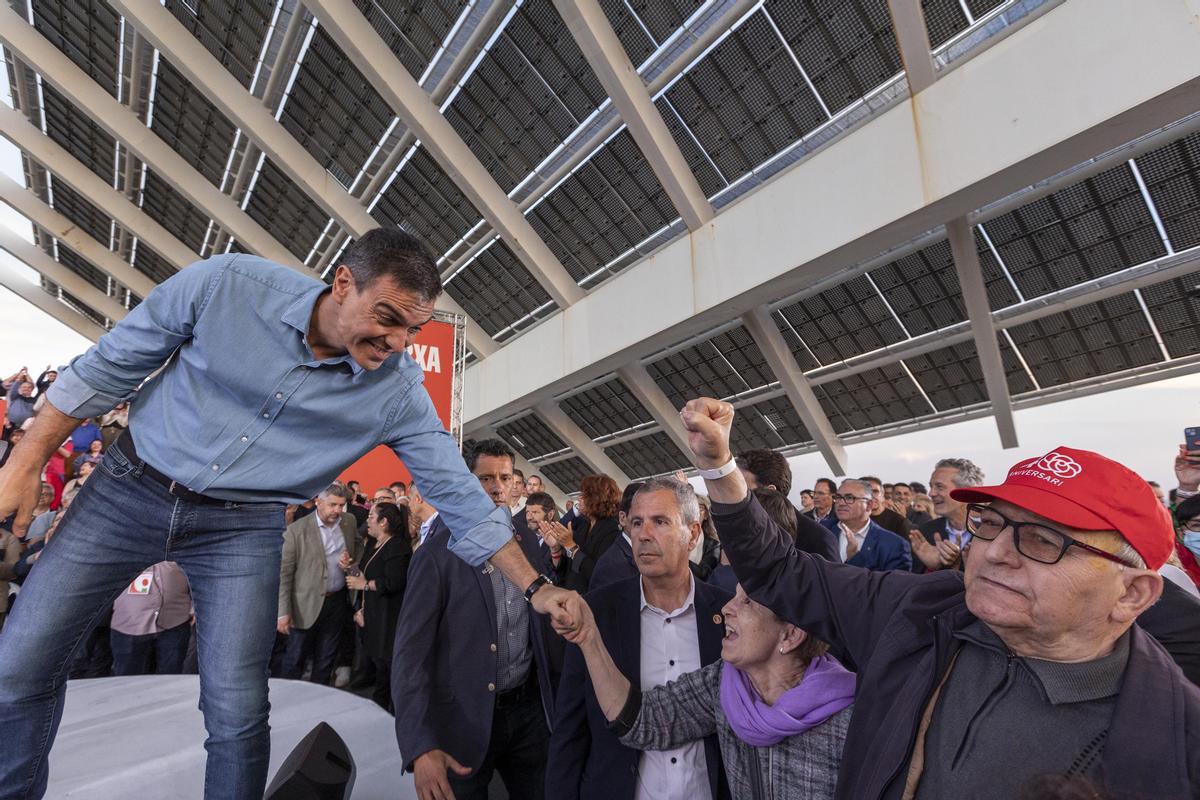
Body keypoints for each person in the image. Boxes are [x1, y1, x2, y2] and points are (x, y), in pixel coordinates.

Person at [0, 229, 576, 799]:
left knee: (237, 709)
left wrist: (536, 589)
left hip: (242, 527)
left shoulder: (399, 391)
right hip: (128, 488)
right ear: (343, 283)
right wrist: (26, 461)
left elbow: (460, 495)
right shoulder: (227, 285)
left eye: (413, 329)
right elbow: (109, 366)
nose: (399, 342)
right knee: (19, 669)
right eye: (387, 317)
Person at [680, 397, 1200, 800]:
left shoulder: (1175, 748)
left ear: (1133, 593)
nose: (995, 552)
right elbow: (781, 571)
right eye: (990, 523)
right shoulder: (920, 613)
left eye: (1043, 541)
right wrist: (719, 465)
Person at [558, 578, 854, 799]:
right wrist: (590, 639)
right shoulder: (726, 683)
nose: (727, 608)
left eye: (747, 602)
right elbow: (642, 721)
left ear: (790, 635)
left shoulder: (851, 719)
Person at [547, 478, 732, 800]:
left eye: (660, 522)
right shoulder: (597, 612)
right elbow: (571, 729)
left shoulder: (726, 615)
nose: (644, 534)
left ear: (694, 533)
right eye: (636, 523)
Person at [393, 439, 558, 800]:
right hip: (463, 722)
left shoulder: (528, 543)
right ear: (467, 481)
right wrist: (420, 747)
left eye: (504, 477)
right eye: (485, 478)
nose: (497, 487)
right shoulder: (436, 555)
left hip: (529, 715)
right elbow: (409, 657)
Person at [277, 483, 358, 685]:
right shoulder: (297, 531)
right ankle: (288, 703)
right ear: (318, 502)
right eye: (332, 505)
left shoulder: (349, 521)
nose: (337, 510)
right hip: (303, 605)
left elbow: (357, 548)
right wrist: (283, 612)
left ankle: (319, 703)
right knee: (295, 658)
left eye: (341, 505)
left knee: (326, 659)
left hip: (337, 601)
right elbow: (285, 575)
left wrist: (351, 563)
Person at [346, 500, 411, 712]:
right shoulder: (373, 544)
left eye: (372, 517)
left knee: (387, 670)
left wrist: (364, 584)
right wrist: (351, 568)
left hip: (388, 618)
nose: (368, 521)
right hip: (373, 614)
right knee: (378, 668)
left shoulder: (398, 547)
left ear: (384, 522)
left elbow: (394, 582)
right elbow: (365, 574)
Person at [109, 561, 193, 676]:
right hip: (129, 624)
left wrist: (195, 609)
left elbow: (199, 575)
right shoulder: (121, 548)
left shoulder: (179, 545)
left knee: (171, 681)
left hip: (175, 622)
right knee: (127, 682)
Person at [543, 474, 622, 594]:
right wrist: (555, 549)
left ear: (597, 499)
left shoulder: (612, 531)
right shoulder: (583, 525)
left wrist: (571, 546)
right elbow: (566, 570)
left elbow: (599, 574)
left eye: (584, 495)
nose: (579, 499)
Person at [909, 457, 985, 573]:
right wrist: (931, 569)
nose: (931, 493)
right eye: (931, 486)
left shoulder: (993, 533)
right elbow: (914, 582)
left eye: (939, 486)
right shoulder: (925, 532)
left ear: (966, 491)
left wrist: (957, 565)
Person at [822, 479, 912, 571]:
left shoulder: (894, 545)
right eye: (838, 497)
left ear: (869, 505)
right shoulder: (821, 531)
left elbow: (893, 583)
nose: (841, 503)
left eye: (849, 498)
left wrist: (855, 558)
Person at [588, 481, 642, 591]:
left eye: (657, 521)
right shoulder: (611, 567)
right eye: (639, 521)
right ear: (622, 518)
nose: (650, 529)